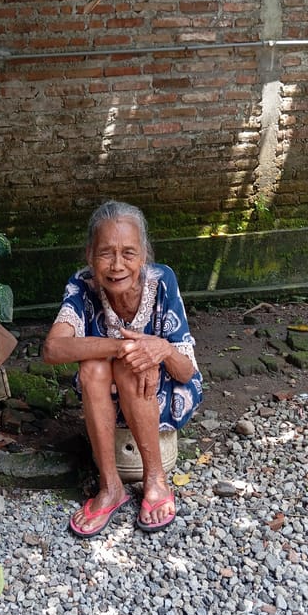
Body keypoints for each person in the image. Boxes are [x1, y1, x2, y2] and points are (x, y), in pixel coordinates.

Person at [42, 200, 203, 537]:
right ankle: (110, 486)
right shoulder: (81, 285)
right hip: (105, 395)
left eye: (128, 253)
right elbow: (53, 348)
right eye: (106, 253)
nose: (117, 265)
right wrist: (123, 347)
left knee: (132, 367)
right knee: (96, 367)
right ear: (89, 255)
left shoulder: (163, 282)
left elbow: (186, 372)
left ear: (144, 255)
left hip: (164, 392)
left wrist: (160, 349)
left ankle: (155, 481)